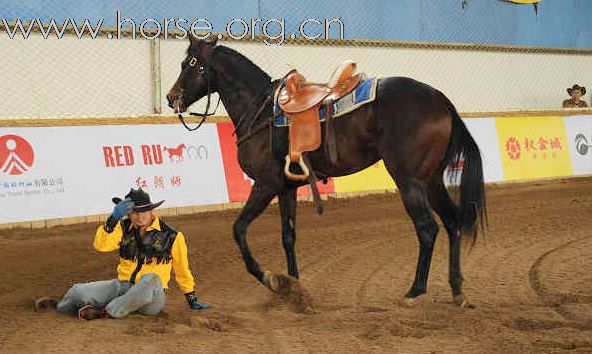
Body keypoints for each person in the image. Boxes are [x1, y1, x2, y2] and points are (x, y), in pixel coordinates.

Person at [34, 188, 209, 320]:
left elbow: (182, 270)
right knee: (78, 290)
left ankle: (104, 312)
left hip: (152, 296)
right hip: (123, 287)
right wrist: (112, 219)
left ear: (151, 211)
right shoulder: (121, 228)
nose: (138, 216)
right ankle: (63, 306)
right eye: (133, 212)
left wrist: (191, 297)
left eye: (143, 211)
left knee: (152, 278)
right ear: (127, 213)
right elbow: (100, 245)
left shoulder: (172, 236)